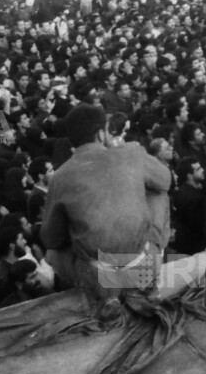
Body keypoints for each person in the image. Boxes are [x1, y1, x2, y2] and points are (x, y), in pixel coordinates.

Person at [40, 104, 172, 305]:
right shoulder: (130, 152)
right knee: (158, 193)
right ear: (101, 134)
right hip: (144, 269)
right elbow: (165, 180)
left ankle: (105, 297)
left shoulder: (60, 177)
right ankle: (153, 264)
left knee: (52, 253)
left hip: (101, 280)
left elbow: (51, 239)